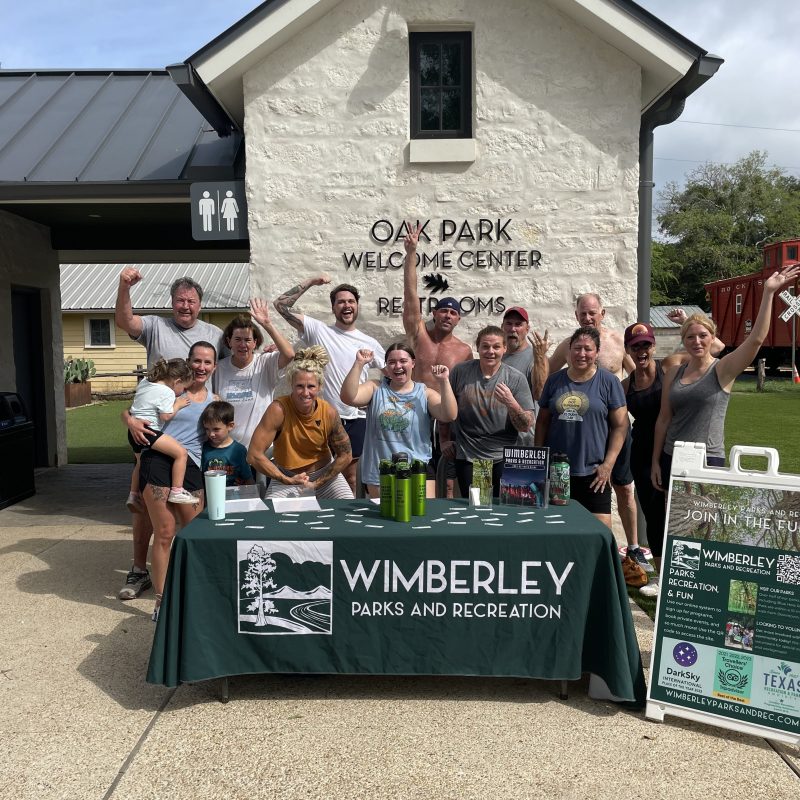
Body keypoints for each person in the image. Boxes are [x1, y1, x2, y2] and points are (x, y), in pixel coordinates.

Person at [115, 268, 224, 602]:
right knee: (150, 517)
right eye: (180, 300)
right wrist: (129, 418)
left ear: (201, 304)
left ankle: (191, 583)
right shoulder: (156, 326)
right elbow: (124, 320)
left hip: (192, 456)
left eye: (191, 301)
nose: (185, 306)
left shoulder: (215, 335)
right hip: (154, 439)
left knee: (193, 526)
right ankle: (141, 572)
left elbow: (241, 353)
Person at [652, 264, 800, 492]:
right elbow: (664, 419)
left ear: (713, 338)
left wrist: (769, 292)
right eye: (690, 337)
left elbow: (755, 340)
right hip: (673, 455)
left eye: (703, 335)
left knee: (706, 513)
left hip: (708, 459)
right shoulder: (674, 372)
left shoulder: (722, 370)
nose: (697, 341)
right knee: (674, 515)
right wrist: (655, 461)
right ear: (684, 340)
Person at [622, 316, 726, 596]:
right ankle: (660, 576)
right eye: (635, 346)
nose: (641, 351)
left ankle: (696, 574)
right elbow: (615, 422)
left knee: (691, 512)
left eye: (646, 345)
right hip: (642, 454)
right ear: (627, 350)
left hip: (674, 448)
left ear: (654, 346)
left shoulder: (669, 366)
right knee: (654, 515)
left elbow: (717, 346)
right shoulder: (625, 385)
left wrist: (689, 323)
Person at [124, 341, 219, 620]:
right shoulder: (168, 389)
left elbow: (223, 431)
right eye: (197, 360)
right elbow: (133, 410)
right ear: (188, 363)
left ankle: (195, 591)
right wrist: (129, 420)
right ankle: (161, 602)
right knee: (164, 532)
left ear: (214, 367)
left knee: (194, 533)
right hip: (157, 461)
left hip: (191, 466)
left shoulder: (214, 400)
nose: (201, 366)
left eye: (208, 362)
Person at [548, 293, 643, 565]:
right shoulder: (569, 344)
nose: (588, 318)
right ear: (576, 315)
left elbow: (638, 376)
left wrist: (621, 400)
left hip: (614, 427)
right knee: (575, 485)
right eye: (583, 313)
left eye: (592, 313)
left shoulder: (617, 342)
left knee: (624, 488)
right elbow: (546, 375)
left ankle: (633, 547)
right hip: (583, 429)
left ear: (603, 313)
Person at [273, 276, 384, 494]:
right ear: (333, 308)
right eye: (340, 302)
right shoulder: (319, 330)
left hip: (355, 419)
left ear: (357, 306)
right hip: (322, 417)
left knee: (351, 478)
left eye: (351, 301)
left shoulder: (370, 342)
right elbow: (280, 305)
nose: (346, 305)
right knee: (315, 472)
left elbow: (390, 374)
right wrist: (311, 282)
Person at [535, 326, 628, 529]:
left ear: (597, 352)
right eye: (577, 348)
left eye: (588, 349)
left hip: (594, 473)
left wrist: (608, 464)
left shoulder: (609, 382)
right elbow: (542, 422)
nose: (582, 354)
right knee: (558, 529)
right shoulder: (554, 381)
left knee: (599, 532)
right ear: (569, 350)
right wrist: (540, 460)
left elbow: (621, 426)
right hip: (557, 471)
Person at [340, 343, 458, 497]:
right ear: (386, 366)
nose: (398, 366)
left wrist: (444, 381)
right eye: (392, 362)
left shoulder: (424, 393)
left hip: (418, 468)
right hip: (382, 470)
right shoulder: (376, 388)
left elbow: (449, 415)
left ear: (413, 363)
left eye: (403, 361)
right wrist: (359, 363)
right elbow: (348, 397)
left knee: (423, 511)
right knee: (386, 512)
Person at [247, 346, 354, 500]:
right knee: (273, 513)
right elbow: (253, 455)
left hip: (324, 477)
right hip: (286, 476)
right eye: (299, 386)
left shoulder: (329, 412)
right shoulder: (278, 410)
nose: (305, 393)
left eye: (311, 386)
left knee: (347, 506)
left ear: (319, 387)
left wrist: (317, 483)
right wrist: (286, 479)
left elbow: (346, 455)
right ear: (291, 384)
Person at [441, 325, 535, 497]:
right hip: (469, 455)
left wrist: (511, 402)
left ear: (504, 348)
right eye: (485, 346)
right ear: (477, 347)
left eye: (496, 347)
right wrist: (444, 440)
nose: (490, 351)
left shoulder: (515, 378)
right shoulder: (461, 372)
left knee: (502, 506)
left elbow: (525, 426)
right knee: (477, 505)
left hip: (504, 456)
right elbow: (446, 408)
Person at [214, 299, 294, 448]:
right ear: (229, 341)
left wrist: (267, 324)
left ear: (255, 343)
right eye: (238, 339)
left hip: (262, 449)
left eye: (247, 340)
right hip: (228, 449)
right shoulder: (218, 368)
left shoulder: (265, 363)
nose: (243, 345)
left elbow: (289, 354)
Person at [126, 357, 198, 510]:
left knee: (139, 463)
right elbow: (165, 416)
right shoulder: (167, 392)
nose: (182, 392)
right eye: (184, 388)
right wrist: (177, 405)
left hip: (132, 432)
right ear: (177, 381)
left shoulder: (145, 382)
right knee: (181, 453)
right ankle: (177, 491)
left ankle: (133, 494)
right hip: (149, 430)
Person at [500, 306, 550, 401]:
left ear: (527, 329)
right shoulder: (495, 355)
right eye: (509, 323)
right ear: (502, 327)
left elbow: (540, 395)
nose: (513, 329)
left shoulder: (536, 358)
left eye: (518, 324)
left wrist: (539, 358)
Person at [200, 400, 255, 486]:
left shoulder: (239, 450)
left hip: (234, 493)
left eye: (216, 429)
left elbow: (248, 478)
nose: (211, 434)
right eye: (207, 429)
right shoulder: (203, 448)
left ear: (230, 426)